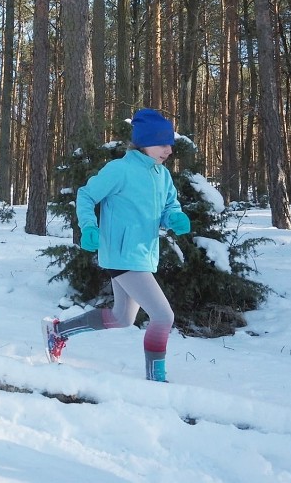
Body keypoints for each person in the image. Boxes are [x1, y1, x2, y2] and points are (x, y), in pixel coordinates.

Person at [42, 108, 191, 383]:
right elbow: (86, 195)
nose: (169, 150)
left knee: (122, 317)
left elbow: (170, 205)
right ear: (143, 142)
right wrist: (88, 227)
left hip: (143, 254)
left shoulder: (162, 175)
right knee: (163, 316)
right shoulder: (119, 169)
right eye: (162, 144)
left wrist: (175, 217)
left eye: (170, 144)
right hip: (122, 254)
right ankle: (155, 380)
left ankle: (58, 332)